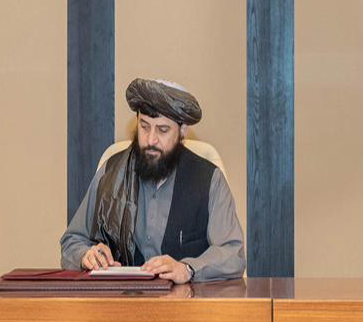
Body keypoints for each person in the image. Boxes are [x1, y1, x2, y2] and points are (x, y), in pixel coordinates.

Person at [60, 77, 246, 284]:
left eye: (163, 130)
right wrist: (86, 255)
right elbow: (72, 241)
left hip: (185, 308)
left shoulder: (209, 179)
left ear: (182, 130)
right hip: (119, 305)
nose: (151, 140)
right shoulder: (111, 172)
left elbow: (233, 253)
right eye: (145, 127)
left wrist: (188, 268)